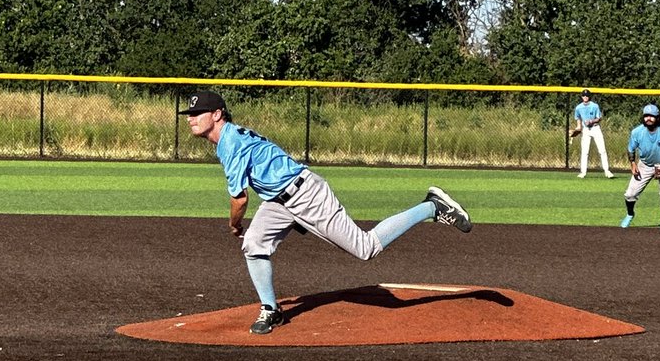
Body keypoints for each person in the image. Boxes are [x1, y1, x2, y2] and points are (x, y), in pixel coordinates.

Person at [180, 88, 473, 334]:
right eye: (190, 115)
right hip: (278, 202)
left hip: (306, 194)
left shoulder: (230, 142)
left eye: (197, 113)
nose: (191, 119)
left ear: (216, 114)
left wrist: (234, 225)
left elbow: (240, 200)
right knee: (254, 244)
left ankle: (432, 206)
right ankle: (271, 310)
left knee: (365, 247)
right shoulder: (226, 139)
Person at [620, 102, 660, 229]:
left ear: (658, 117)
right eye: (646, 115)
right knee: (630, 194)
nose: (649, 118)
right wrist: (632, 164)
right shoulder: (637, 132)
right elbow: (631, 149)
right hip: (645, 165)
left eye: (652, 116)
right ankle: (630, 214)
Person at [571, 88, 614, 178]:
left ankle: (607, 171)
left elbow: (599, 118)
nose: (585, 97)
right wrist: (578, 128)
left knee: (602, 150)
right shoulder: (579, 107)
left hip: (595, 128)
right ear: (581, 96)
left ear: (589, 96)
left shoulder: (594, 106)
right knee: (584, 151)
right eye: (584, 95)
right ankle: (583, 172)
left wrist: (591, 121)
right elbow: (578, 118)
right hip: (586, 130)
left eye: (587, 95)